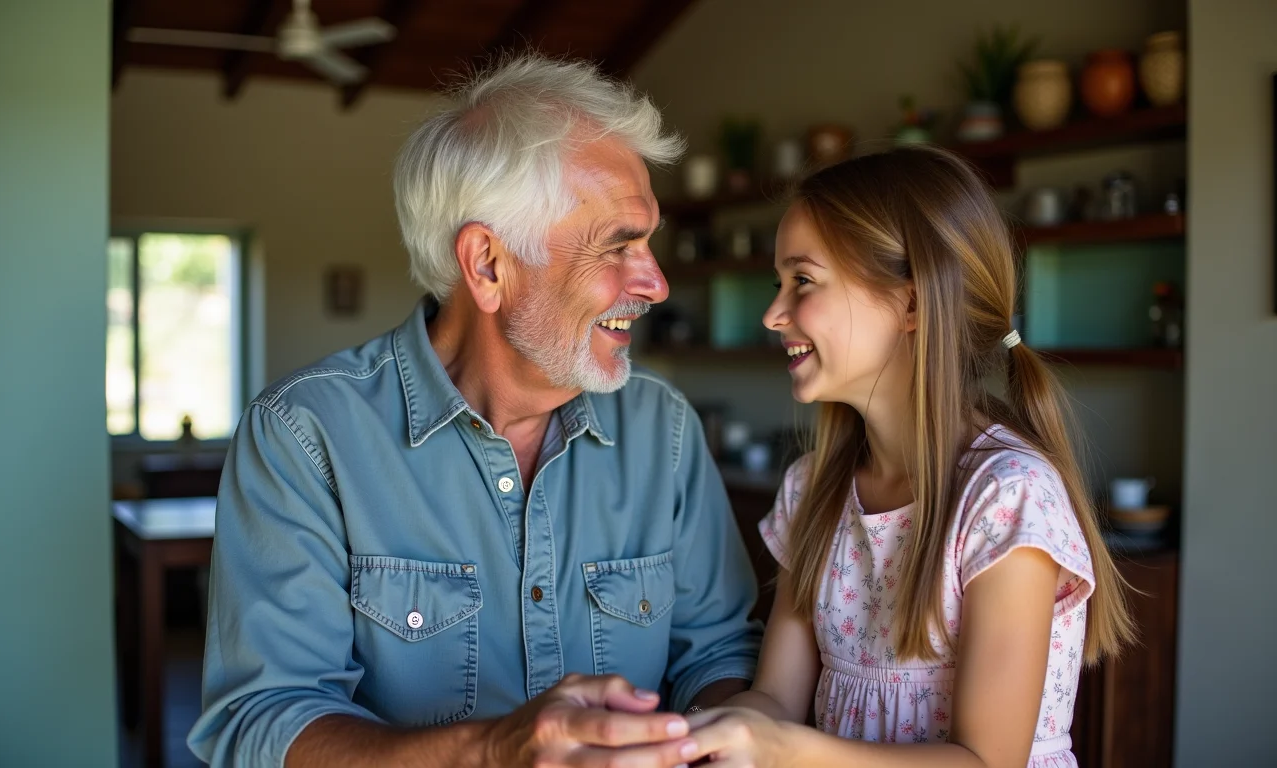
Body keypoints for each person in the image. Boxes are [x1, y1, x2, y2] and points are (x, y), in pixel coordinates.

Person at [187, 55, 762, 768]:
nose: (655, 282)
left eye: (649, 242)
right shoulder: (305, 436)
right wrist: (492, 751)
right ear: (487, 264)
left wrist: (702, 740)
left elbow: (716, 650)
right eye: (619, 244)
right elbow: (261, 721)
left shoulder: (663, 430)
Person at [680, 147, 1134, 768]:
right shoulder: (812, 490)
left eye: (803, 281)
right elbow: (776, 701)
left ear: (913, 304)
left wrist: (784, 749)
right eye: (778, 283)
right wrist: (687, 734)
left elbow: (984, 760)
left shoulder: (1007, 498)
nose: (772, 313)